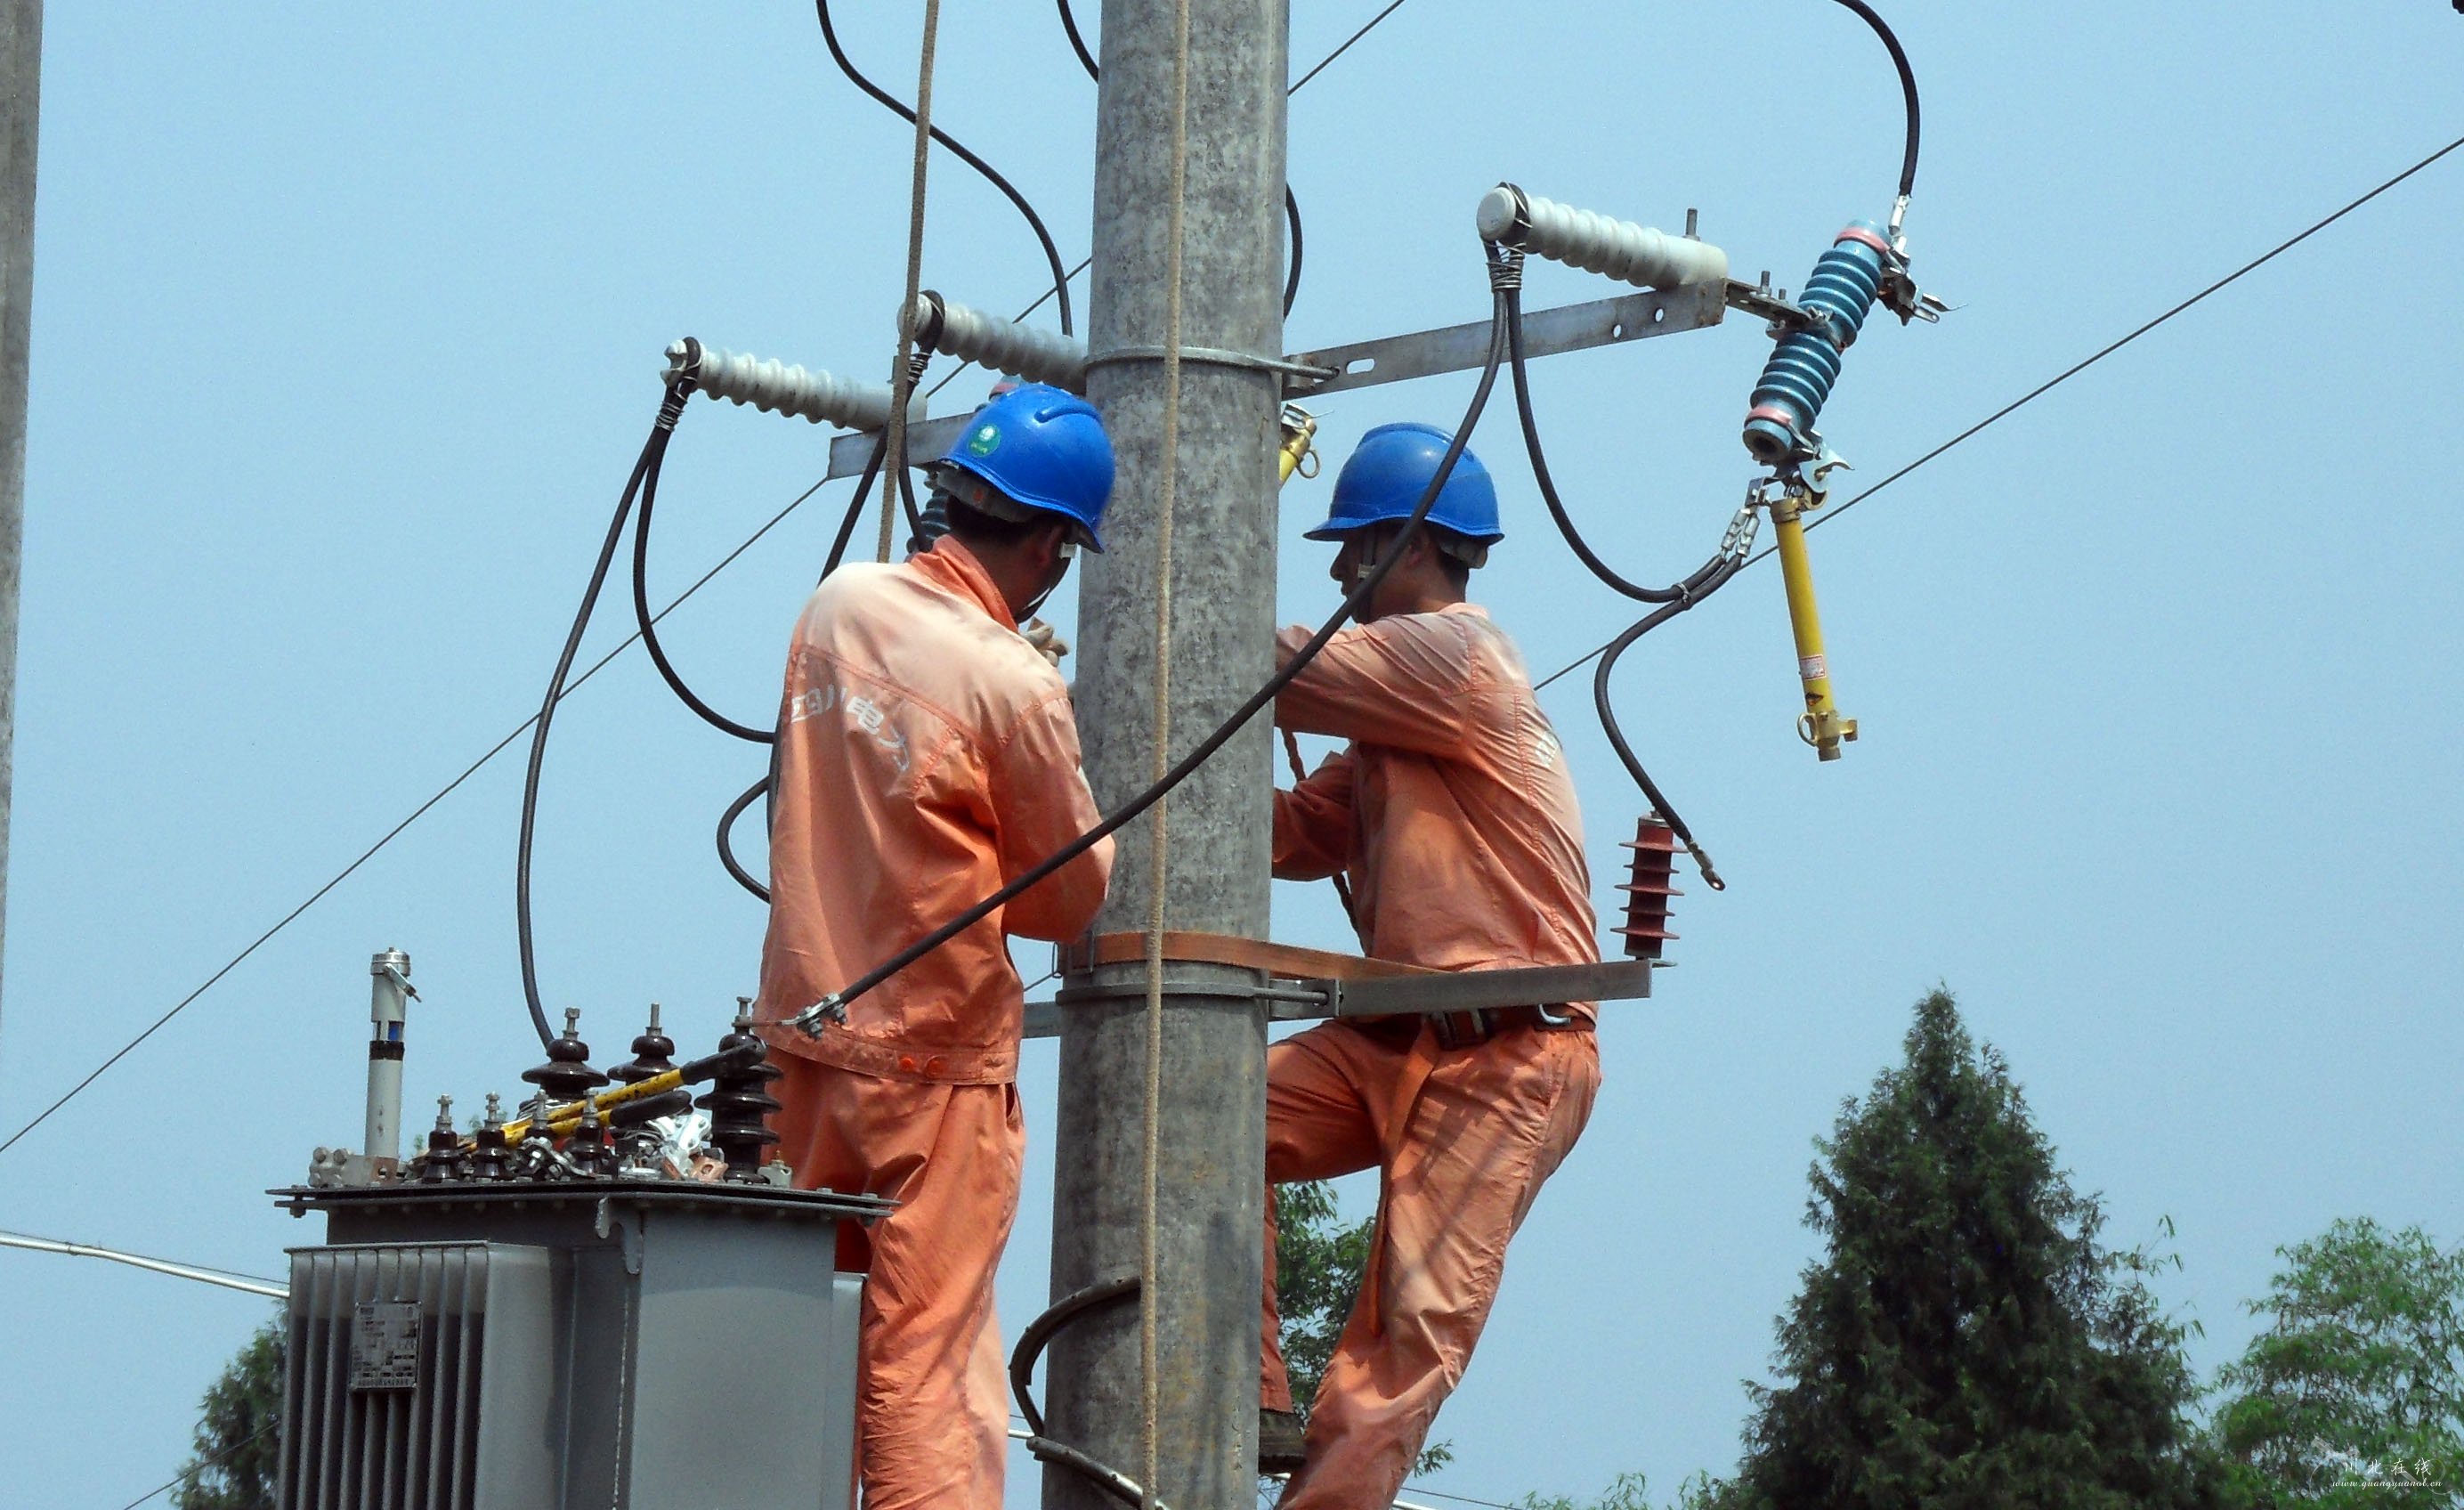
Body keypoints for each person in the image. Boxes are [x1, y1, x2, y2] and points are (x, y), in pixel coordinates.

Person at [758, 382, 1116, 1510]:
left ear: (953, 498)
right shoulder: (1016, 685)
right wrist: (1031, 695)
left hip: (802, 1045)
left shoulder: (837, 603)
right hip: (932, 1072)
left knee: (791, 1338)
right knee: (925, 1366)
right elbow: (1067, 902)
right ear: (1056, 546)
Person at [1257, 422, 1603, 1505]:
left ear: (1412, 543)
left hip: (1506, 1053)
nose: (1337, 570)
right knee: (1199, 1115)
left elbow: (1262, 667)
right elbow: (1281, 836)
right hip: (1396, 1038)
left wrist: (1152, 565)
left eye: (1353, 546)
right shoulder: (1385, 723)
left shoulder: (1451, 657)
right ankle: (1245, 1383)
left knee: (1391, 1363)